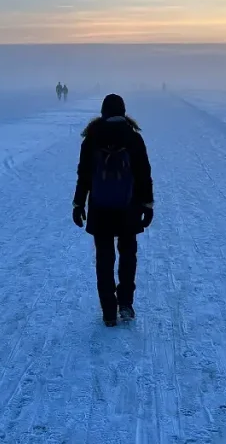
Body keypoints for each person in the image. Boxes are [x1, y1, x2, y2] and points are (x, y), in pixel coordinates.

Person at [72, 94, 154, 327]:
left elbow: (84, 175)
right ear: (123, 111)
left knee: (104, 259)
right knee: (128, 255)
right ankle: (126, 304)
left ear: (103, 112)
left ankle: (109, 312)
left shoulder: (92, 138)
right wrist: (147, 205)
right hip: (129, 207)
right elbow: (143, 174)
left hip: (100, 207)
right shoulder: (133, 137)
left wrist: (79, 204)